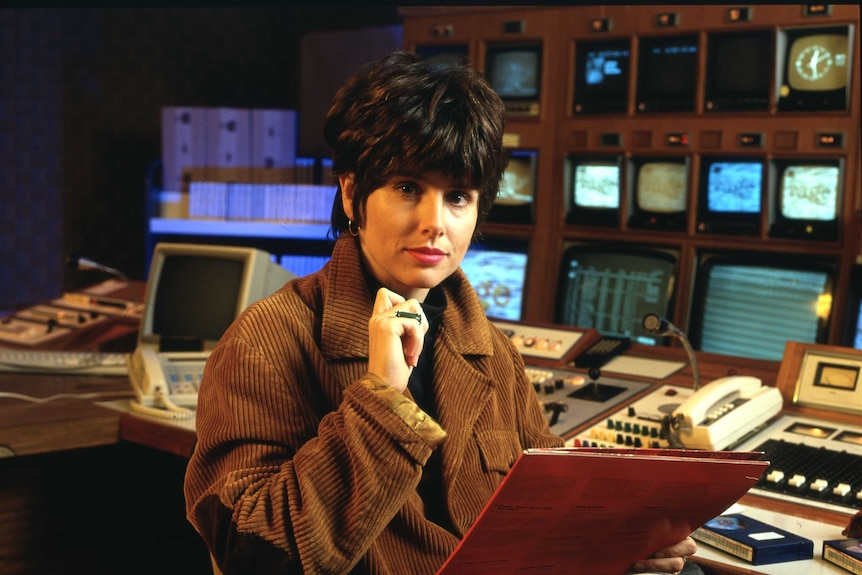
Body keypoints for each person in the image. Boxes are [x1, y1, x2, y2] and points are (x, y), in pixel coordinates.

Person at [183, 50, 698, 575]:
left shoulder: (493, 352)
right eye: (408, 188)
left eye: (458, 196)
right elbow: (250, 556)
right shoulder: (266, 340)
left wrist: (618, 547)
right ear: (352, 191)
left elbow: (553, 517)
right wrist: (381, 400)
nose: (436, 223)